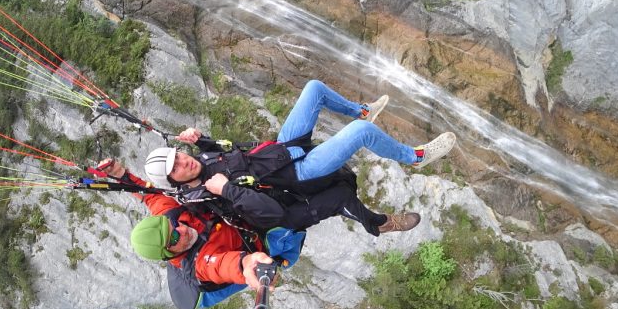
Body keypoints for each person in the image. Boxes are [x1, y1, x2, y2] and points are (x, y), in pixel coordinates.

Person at [144, 79, 456, 235]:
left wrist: (203, 141)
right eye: (177, 167)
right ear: (176, 181)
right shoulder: (212, 197)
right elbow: (268, 213)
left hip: (282, 149)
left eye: (179, 155)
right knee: (360, 133)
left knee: (314, 88)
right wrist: (226, 190)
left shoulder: (203, 161)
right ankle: (415, 157)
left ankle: (362, 110)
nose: (183, 161)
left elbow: (231, 154)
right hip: (299, 174)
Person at [100, 159, 304, 309]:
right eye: (173, 240)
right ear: (169, 255)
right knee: (289, 231)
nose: (180, 230)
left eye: (173, 226)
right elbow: (223, 265)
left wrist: (121, 175)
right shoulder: (202, 263)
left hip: (240, 224)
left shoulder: (171, 218)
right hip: (265, 243)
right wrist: (248, 263)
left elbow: (152, 197)